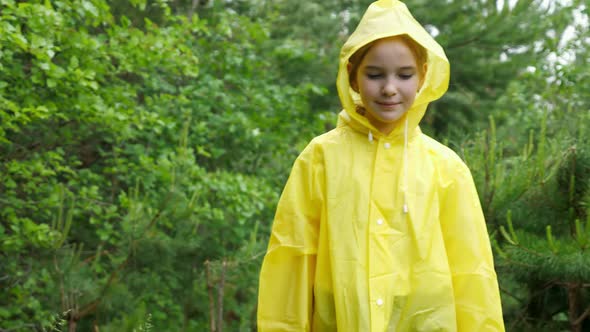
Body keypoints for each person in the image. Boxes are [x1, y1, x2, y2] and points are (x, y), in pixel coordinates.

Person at [257, 0, 505, 331]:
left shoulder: (445, 167)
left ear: (422, 78)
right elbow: (292, 258)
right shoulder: (320, 158)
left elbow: (471, 271)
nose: (389, 88)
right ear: (353, 78)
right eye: (375, 75)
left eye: (404, 75)